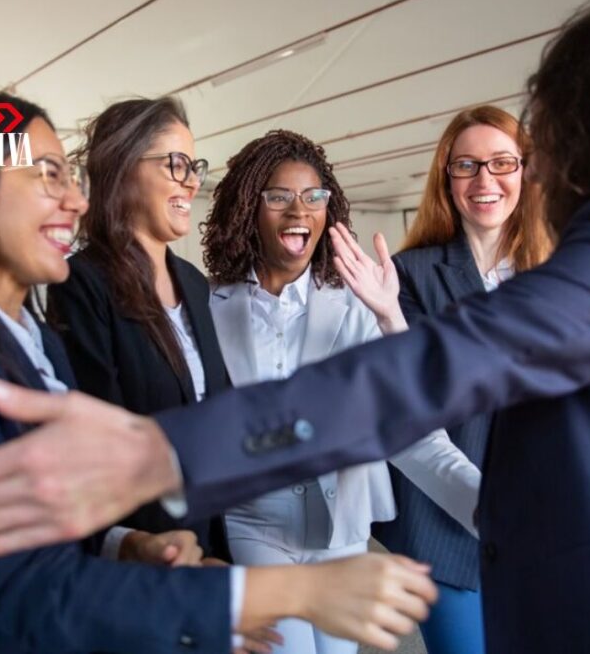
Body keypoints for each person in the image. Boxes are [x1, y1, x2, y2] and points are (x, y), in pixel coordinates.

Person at [0, 0, 590, 652]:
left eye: (531, 143)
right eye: (44, 171)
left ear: (579, 132)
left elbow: (436, 369)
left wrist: (160, 459)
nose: (71, 195)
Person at [0, 92, 437, 654]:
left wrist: (127, 544)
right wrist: (289, 594)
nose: (76, 199)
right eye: (47, 176)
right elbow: (23, 588)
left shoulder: (27, 339)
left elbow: (51, 515)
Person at [201, 129, 481, 654]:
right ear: (247, 210)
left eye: (314, 197)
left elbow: (412, 427)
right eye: (278, 196)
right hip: (255, 525)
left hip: (343, 531)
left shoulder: (358, 306)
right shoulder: (210, 307)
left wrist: (492, 506)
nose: (298, 211)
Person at [353, 105, 553, 654]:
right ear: (447, 177)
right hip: (442, 527)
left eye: (501, 163)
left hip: (547, 519)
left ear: (527, 172)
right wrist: (390, 320)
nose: (484, 180)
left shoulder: (559, 271)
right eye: (466, 165)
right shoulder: (410, 274)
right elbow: (412, 399)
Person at [46, 97, 233, 563]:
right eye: (176, 164)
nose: (192, 181)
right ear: (124, 168)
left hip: (206, 538)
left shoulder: (192, 281)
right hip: (141, 551)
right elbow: (96, 446)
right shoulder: (81, 285)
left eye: (195, 166)